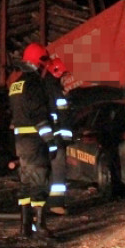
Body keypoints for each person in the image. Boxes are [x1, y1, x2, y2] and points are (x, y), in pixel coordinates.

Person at [7, 42, 54, 238]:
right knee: (39, 181)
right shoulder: (34, 84)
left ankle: (25, 226)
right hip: (35, 140)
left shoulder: (16, 84)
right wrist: (50, 140)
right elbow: (38, 115)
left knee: (25, 182)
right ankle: (40, 227)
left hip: (21, 141)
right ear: (38, 62)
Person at [42, 57, 73, 215]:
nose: (65, 79)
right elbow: (63, 116)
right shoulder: (54, 91)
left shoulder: (44, 87)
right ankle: (56, 203)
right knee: (58, 170)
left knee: (46, 171)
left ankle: (42, 204)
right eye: (63, 75)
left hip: (47, 136)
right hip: (56, 137)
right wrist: (64, 138)